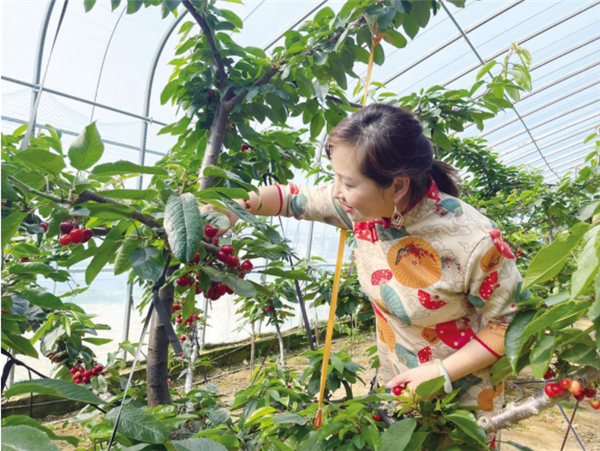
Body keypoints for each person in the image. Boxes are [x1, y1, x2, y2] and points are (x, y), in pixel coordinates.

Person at [208, 103, 524, 429]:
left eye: (348, 183)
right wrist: (236, 205)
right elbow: (291, 199)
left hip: (462, 405)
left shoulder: (472, 241)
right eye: (336, 178)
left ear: (398, 186)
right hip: (398, 389)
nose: (337, 192)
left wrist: (440, 372)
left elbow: (508, 326)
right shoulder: (367, 209)